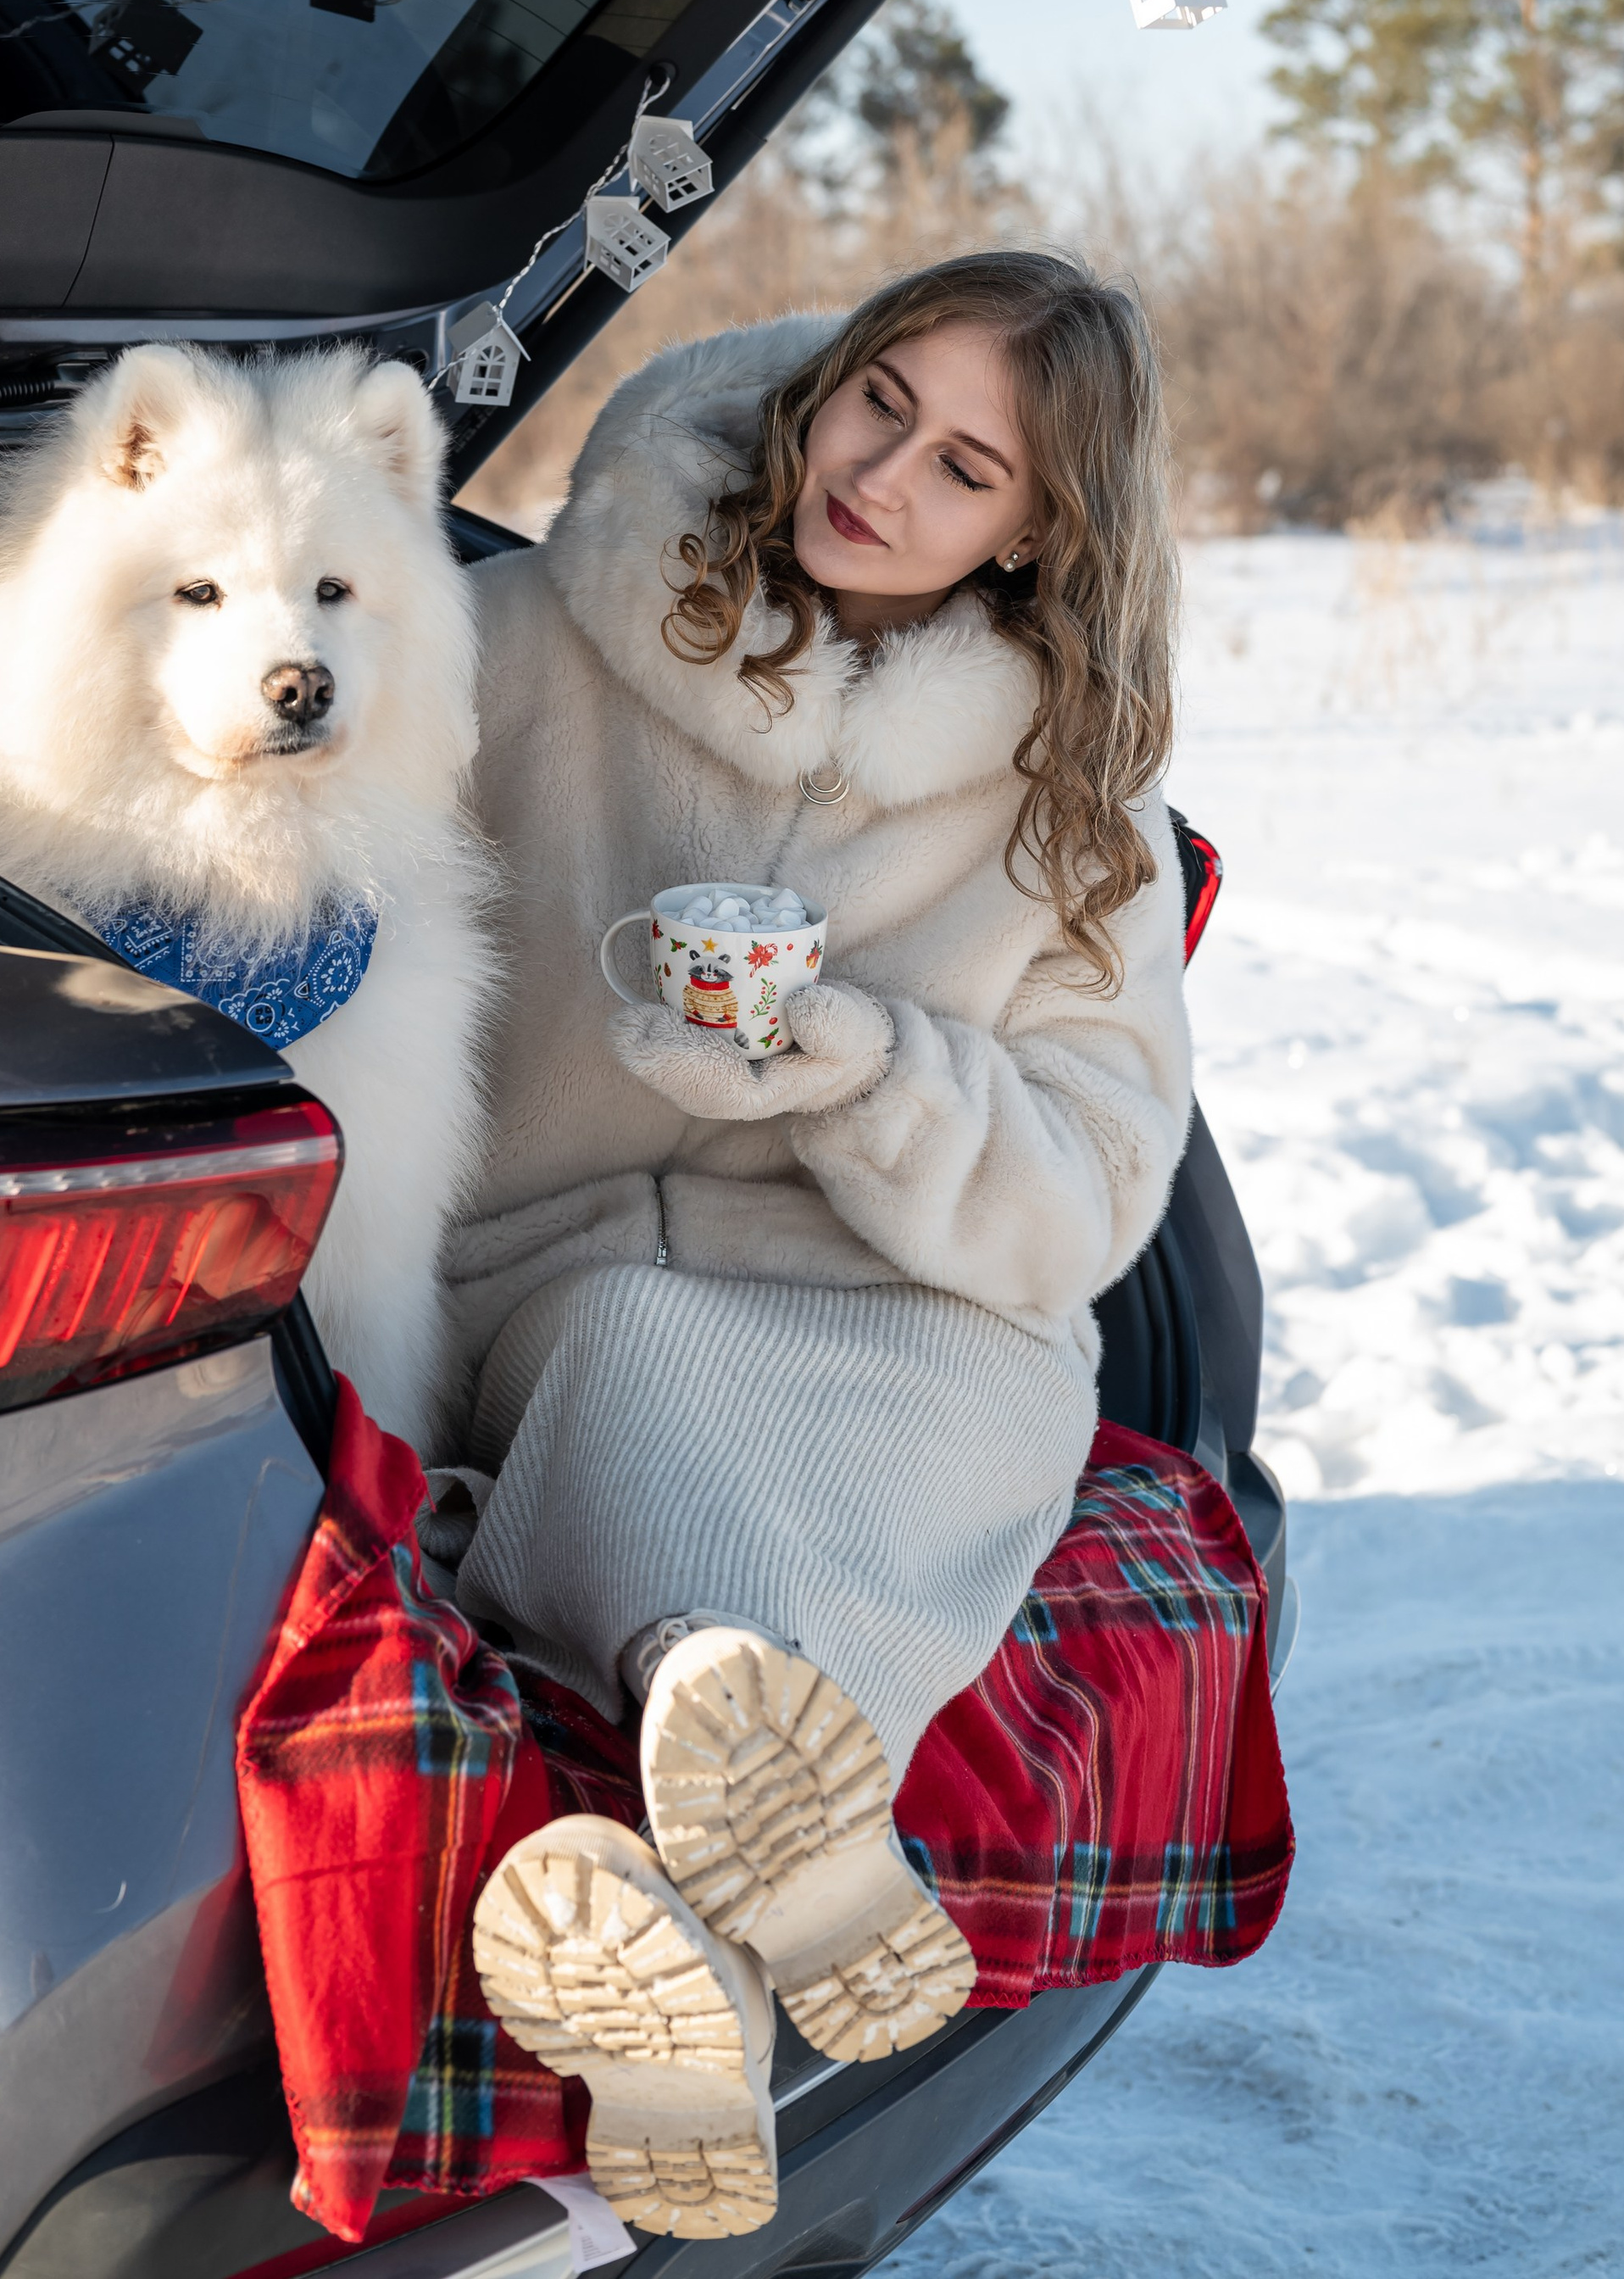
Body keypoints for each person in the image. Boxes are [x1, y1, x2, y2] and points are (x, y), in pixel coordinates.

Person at [438, 253, 1193, 2242]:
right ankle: (765, 1828)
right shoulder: (522, 637)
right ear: (821, 376)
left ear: (1032, 533)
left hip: (913, 1306)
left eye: (964, 469)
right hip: (565, 1266)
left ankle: (687, 1935)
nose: (881, 477)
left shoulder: (1072, 808)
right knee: (627, 1354)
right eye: (879, 403)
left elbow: (1092, 1184)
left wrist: (866, 1069)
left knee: (939, 1408)